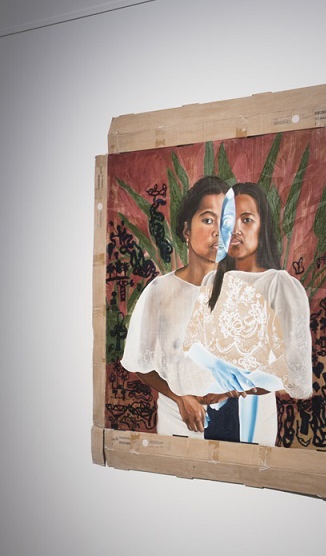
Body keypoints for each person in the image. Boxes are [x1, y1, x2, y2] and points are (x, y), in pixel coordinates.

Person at [183, 181, 313, 444]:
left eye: (247, 220)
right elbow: (190, 345)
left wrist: (231, 389)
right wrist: (213, 370)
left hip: (253, 413)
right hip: (209, 412)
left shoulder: (280, 285)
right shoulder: (212, 283)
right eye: (229, 220)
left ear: (262, 226)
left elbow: (294, 370)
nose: (235, 230)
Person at [119, 176, 230, 436]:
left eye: (225, 221)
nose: (217, 231)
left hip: (235, 420)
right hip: (178, 419)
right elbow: (138, 361)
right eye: (207, 219)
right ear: (186, 231)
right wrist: (180, 397)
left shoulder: (242, 291)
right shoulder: (159, 292)